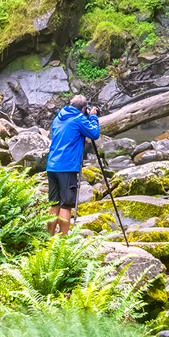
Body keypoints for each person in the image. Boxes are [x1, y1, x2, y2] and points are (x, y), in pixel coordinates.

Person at [46, 94, 100, 235]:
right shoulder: (79, 118)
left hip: (52, 165)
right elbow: (94, 133)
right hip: (67, 167)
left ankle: (48, 238)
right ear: (83, 108)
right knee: (66, 205)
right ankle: (64, 240)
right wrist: (93, 117)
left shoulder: (58, 117)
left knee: (54, 203)